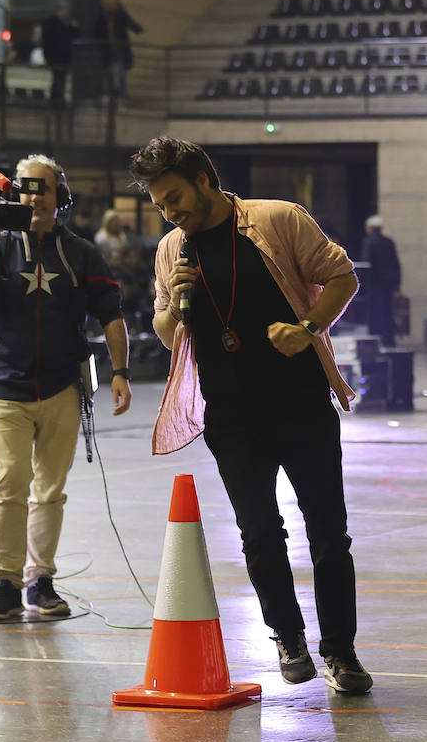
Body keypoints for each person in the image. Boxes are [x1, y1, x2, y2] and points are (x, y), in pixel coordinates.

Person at [130, 136, 372, 695]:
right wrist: (177, 305)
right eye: (161, 205)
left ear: (204, 180)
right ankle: (287, 637)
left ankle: (340, 651)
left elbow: (343, 277)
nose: (170, 212)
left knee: (329, 534)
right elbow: (168, 332)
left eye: (175, 198)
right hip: (231, 414)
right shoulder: (173, 250)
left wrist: (307, 328)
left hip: (302, 402)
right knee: (260, 533)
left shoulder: (277, 219)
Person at [0, 154, 131, 622]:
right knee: (10, 485)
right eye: (24, 188)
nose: (32, 197)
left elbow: (111, 315)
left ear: (59, 196)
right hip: (6, 385)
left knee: (50, 489)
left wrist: (120, 372)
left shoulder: (81, 252)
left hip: (63, 386)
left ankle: (39, 580)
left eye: (42, 188)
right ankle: (5, 582)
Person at [360, 213, 401, 347]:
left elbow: (367, 263)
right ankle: (389, 340)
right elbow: (396, 264)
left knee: (374, 313)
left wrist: (363, 284)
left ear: (370, 228)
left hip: (374, 284)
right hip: (388, 284)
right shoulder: (389, 242)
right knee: (387, 312)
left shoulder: (368, 242)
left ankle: (375, 342)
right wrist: (397, 283)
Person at [94, 0, 143, 100]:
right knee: (109, 73)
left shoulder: (121, 16)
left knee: (120, 73)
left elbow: (132, 24)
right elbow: (96, 33)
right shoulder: (102, 18)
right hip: (107, 50)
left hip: (119, 49)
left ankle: (122, 94)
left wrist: (138, 29)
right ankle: (113, 94)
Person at [40, 7, 78, 110]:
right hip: (58, 56)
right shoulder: (55, 24)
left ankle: (56, 99)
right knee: (59, 78)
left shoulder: (55, 24)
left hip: (58, 56)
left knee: (58, 78)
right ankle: (57, 99)